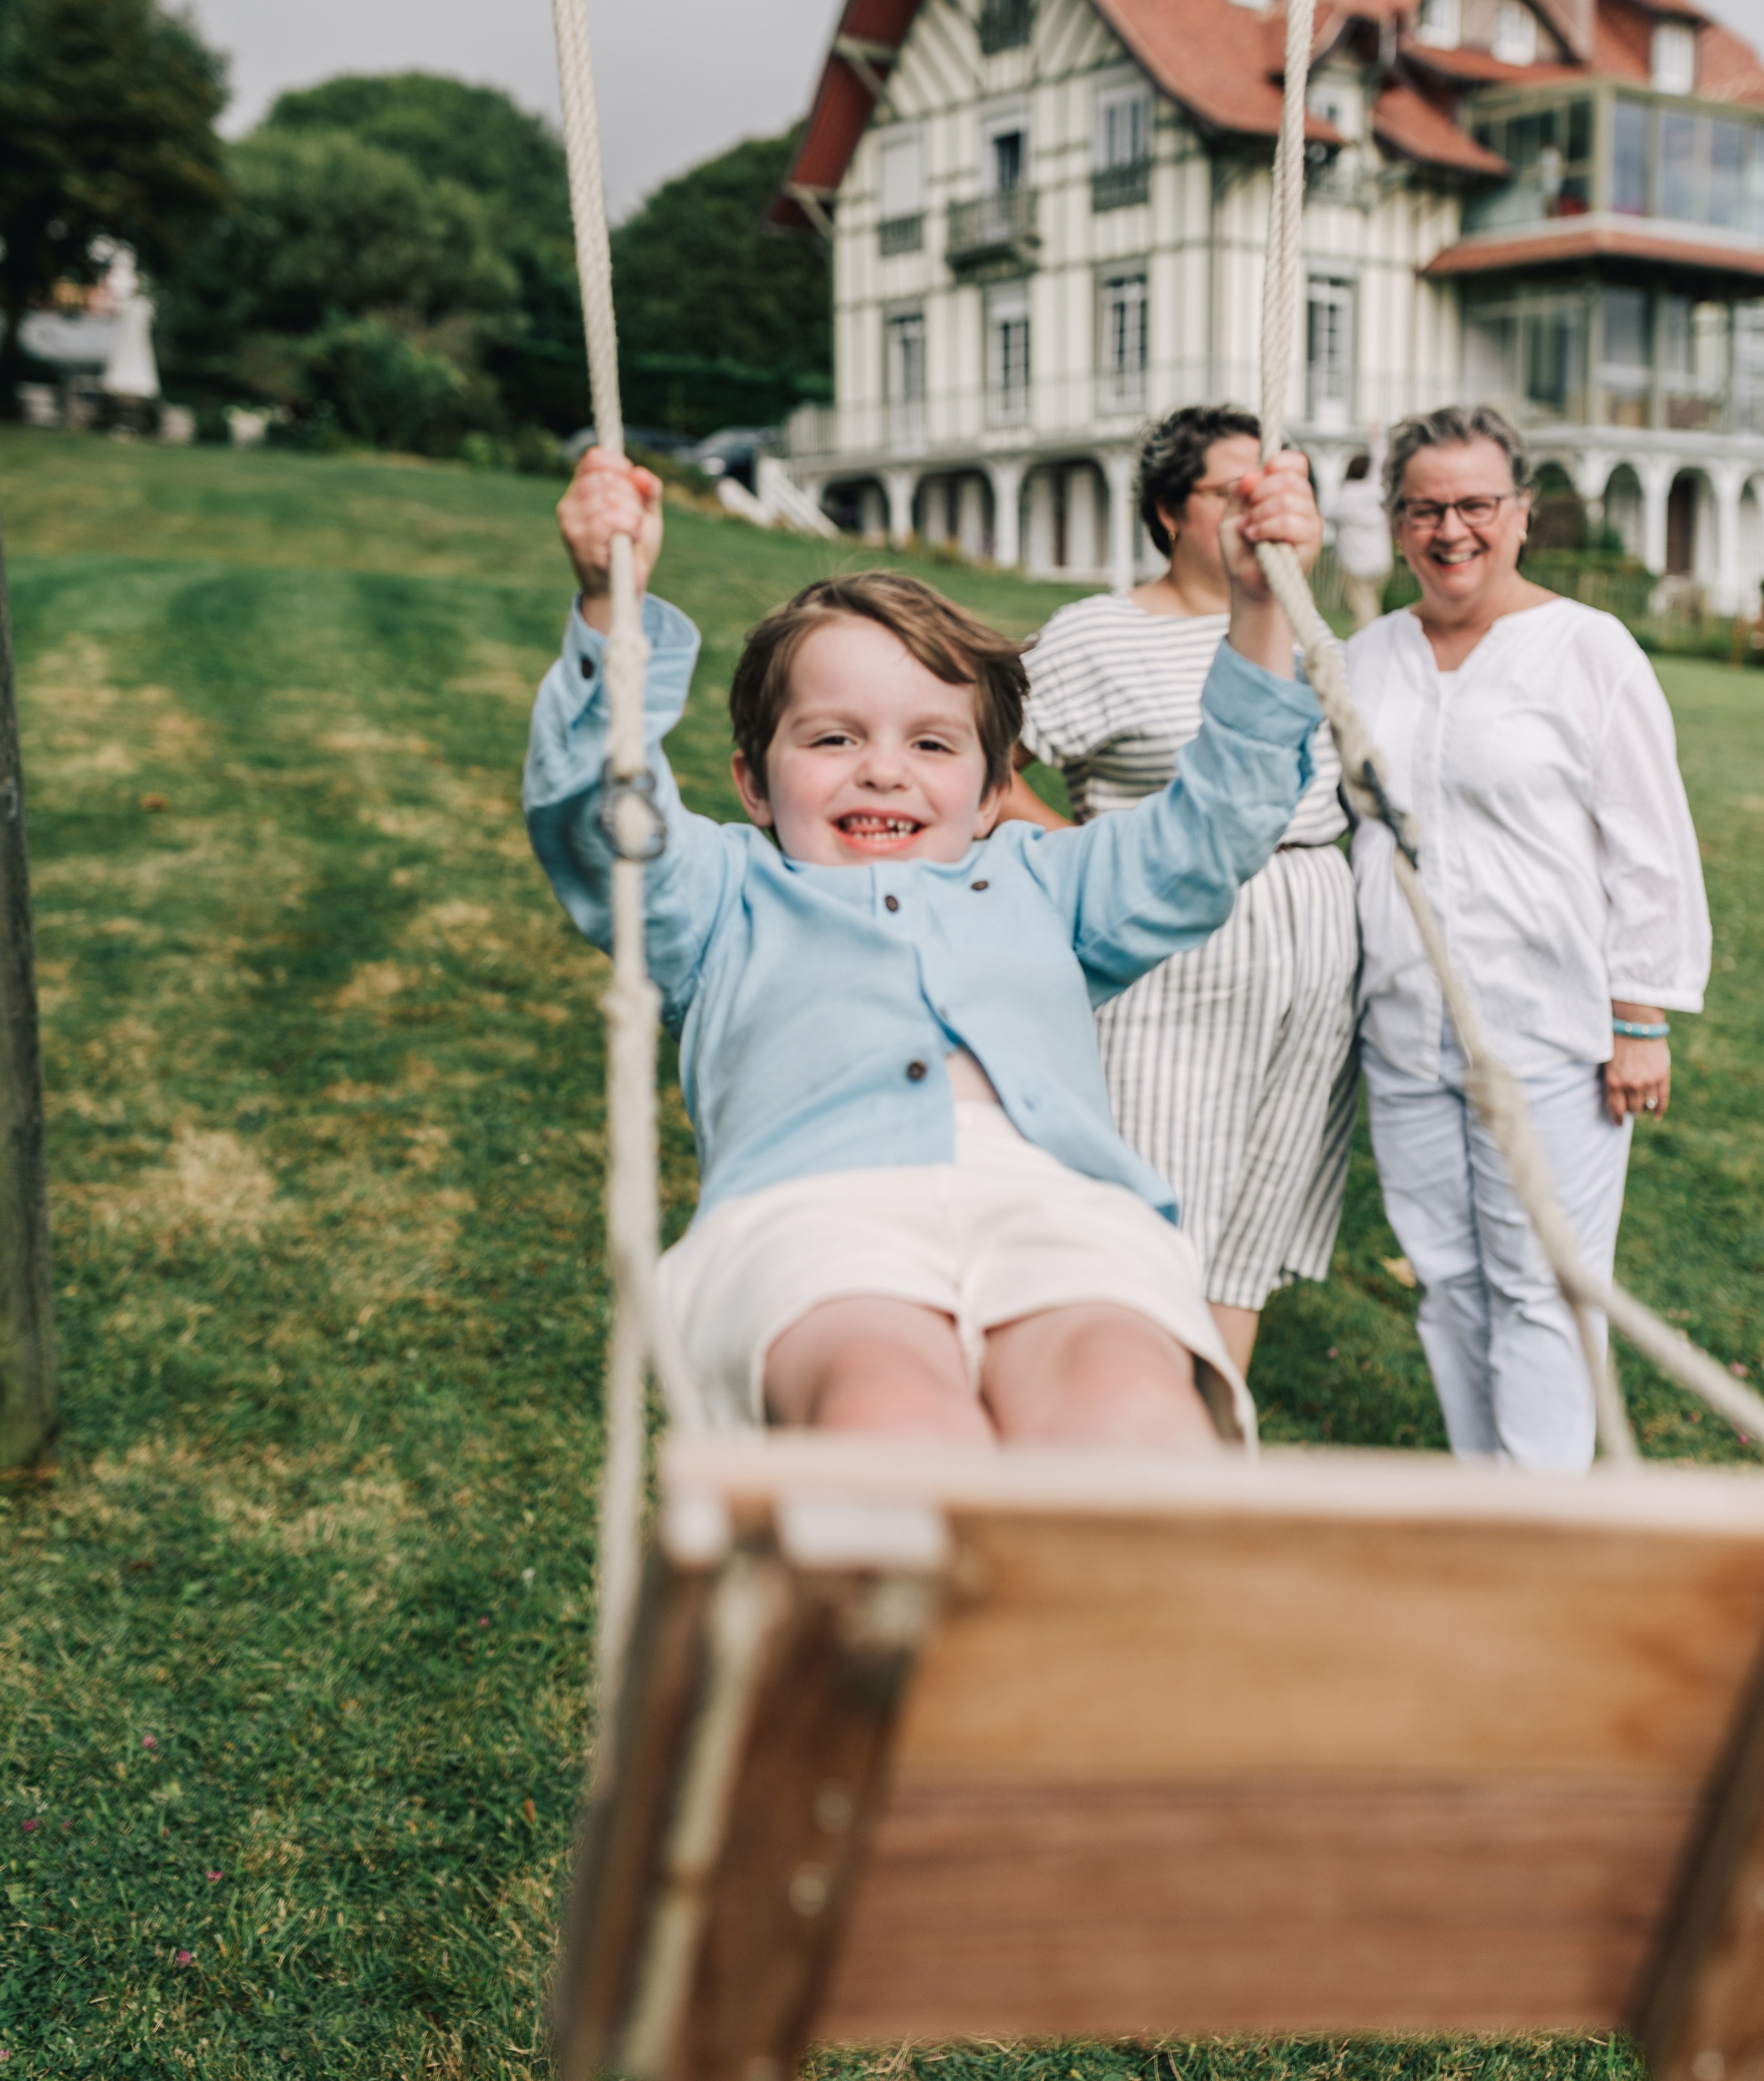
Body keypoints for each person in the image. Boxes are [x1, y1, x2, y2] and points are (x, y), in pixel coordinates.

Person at [524, 442, 1326, 1450]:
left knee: (1123, 1399)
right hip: (816, 1210)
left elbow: (1215, 827)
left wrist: (1259, 612)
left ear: (995, 792)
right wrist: (612, 606)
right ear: (753, 784)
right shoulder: (719, 896)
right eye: (833, 739)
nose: (883, 773)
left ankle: (1130, 1591)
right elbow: (602, 816)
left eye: (932, 744)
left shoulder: (1049, 882)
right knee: (886, 1406)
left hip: (1054, 1202)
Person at [1346, 403, 1711, 1473]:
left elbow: (1650, 843)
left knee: (1544, 1284)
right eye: (1425, 508)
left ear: (1520, 513)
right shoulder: (1366, 658)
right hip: (1405, 1027)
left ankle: (1542, 1518)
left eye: (1475, 504)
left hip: (1552, 1030)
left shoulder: (1585, 650)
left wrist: (1639, 1017)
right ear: (1398, 522)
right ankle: (1484, 1502)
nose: (1450, 529)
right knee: (1448, 1279)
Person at [997, 405, 1357, 1378]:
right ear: (1167, 511)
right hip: (1175, 955)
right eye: (1237, 492)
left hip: (1317, 945)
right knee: (1162, 1202)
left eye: (1284, 491)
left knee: (1252, 1223)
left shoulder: (1310, 629)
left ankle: (1214, 1437)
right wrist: (1082, 855)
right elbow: (981, 764)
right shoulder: (1098, 634)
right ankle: (1129, 1435)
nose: (1265, 511)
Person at [1329, 429, 1392, 632]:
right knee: (1372, 604)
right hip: (1381, 561)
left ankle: (1371, 643)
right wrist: (1376, 434)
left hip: (1356, 564)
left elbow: (1329, 514)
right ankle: (1377, 638)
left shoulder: (1346, 496)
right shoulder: (1376, 491)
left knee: (1363, 609)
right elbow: (1380, 458)